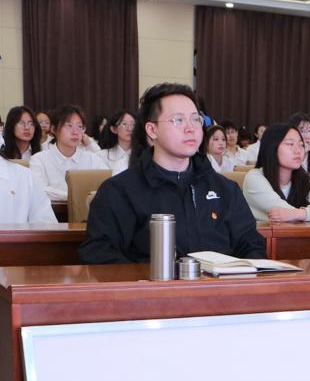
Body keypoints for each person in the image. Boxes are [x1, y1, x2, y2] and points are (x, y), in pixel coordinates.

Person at [79, 82, 266, 263]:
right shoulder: (119, 191)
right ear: (152, 130)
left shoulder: (225, 189)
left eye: (195, 119)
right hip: (151, 284)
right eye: (178, 120)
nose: (190, 128)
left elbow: (251, 245)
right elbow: (99, 253)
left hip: (222, 284)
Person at [243, 123, 310, 222]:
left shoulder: (306, 180)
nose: (298, 151)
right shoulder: (254, 178)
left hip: (299, 232)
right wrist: (309, 215)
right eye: (290, 144)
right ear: (272, 147)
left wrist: (297, 214)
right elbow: (280, 213)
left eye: (301, 145)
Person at [30, 105, 110, 201]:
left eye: (79, 126)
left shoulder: (92, 159)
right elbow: (38, 189)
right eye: (69, 126)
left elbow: (108, 185)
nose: (75, 132)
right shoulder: (39, 159)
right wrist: (74, 196)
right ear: (54, 129)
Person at [98, 110, 137, 176]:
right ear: (113, 129)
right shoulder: (102, 156)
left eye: (133, 125)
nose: (130, 129)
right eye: (124, 124)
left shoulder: (143, 155)